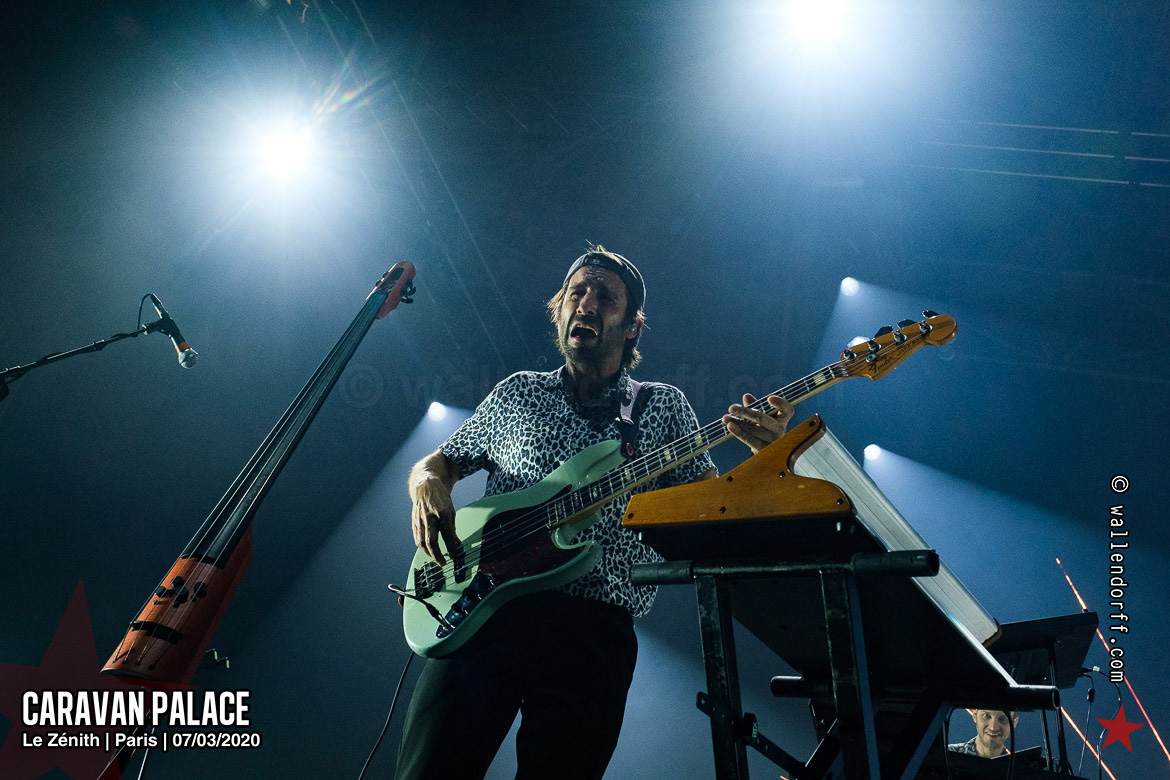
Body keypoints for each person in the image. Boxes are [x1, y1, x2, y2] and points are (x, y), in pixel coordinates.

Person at [395, 246, 794, 780]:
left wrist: (765, 459)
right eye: (576, 293)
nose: (586, 303)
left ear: (632, 327)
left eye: (605, 297)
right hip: (482, 612)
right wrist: (425, 482)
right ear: (559, 308)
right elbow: (441, 462)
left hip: (591, 633)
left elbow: (711, 507)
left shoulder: (662, 406)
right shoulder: (517, 394)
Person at [948, 709, 1018, 758]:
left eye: (1003, 719)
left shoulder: (1019, 768)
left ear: (1014, 723)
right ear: (975, 716)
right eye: (986, 716)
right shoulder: (947, 755)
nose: (993, 728)